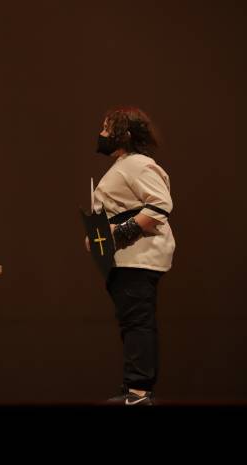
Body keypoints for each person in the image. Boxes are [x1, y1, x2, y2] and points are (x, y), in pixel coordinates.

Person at [86, 106, 175, 406]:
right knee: (131, 321)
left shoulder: (137, 164)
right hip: (125, 259)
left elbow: (160, 206)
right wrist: (98, 237)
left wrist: (120, 233)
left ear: (123, 134)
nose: (101, 134)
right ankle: (133, 387)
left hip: (138, 258)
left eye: (106, 128)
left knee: (137, 321)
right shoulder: (125, 165)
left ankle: (138, 391)